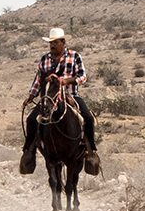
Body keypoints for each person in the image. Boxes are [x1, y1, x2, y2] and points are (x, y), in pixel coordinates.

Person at [21, 27, 99, 172]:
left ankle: (90, 151)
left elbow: (83, 76)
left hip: (70, 95)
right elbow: (38, 80)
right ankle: (29, 152)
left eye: (55, 43)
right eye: (50, 43)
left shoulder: (74, 56)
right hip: (49, 98)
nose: (52, 46)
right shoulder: (45, 59)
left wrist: (68, 81)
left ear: (63, 42)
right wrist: (31, 96)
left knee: (88, 118)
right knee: (31, 119)